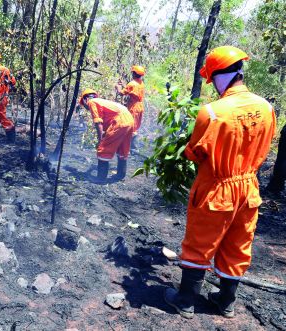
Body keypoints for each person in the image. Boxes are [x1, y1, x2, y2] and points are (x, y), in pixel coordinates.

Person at [164, 46, 276, 319]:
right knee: (238, 243)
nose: (212, 85)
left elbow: (194, 153)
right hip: (249, 189)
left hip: (216, 187)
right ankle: (226, 301)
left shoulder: (211, 112)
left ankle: (186, 300)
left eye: (211, 79)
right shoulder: (267, 108)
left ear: (218, 75)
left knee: (199, 243)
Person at [79, 88, 134, 183]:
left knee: (103, 149)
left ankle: (100, 178)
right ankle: (121, 175)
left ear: (85, 99)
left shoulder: (91, 102)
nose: (86, 108)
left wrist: (101, 140)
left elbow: (98, 122)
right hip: (129, 119)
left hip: (120, 121)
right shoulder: (101, 102)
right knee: (122, 148)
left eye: (84, 105)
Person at [116, 65, 145, 153]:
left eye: (133, 72)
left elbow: (121, 93)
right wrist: (124, 85)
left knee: (131, 127)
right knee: (134, 126)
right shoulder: (141, 83)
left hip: (134, 107)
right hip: (140, 106)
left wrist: (118, 88)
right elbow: (132, 90)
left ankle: (132, 148)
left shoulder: (131, 84)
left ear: (134, 73)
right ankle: (131, 147)